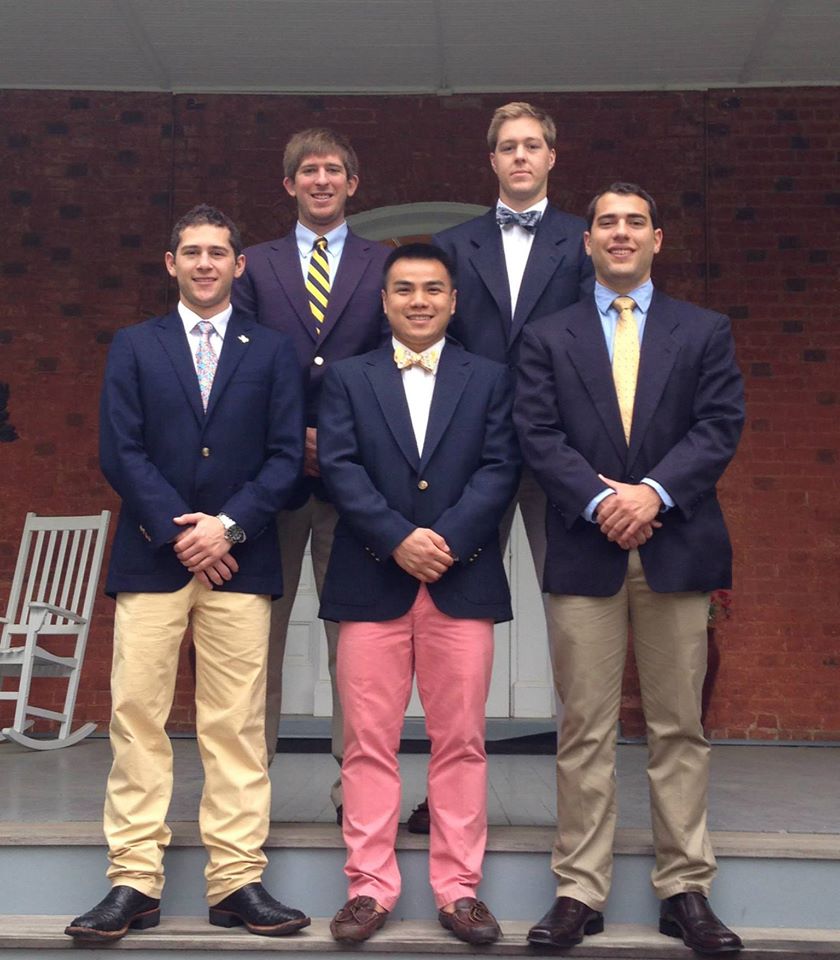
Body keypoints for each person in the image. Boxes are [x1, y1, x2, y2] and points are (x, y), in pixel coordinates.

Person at [65, 205, 309, 943]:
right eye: (192, 252)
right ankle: (133, 881)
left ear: (240, 265)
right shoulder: (135, 347)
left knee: (234, 725)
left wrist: (227, 527)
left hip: (241, 559)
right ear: (170, 263)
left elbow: (283, 460)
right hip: (152, 558)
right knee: (138, 715)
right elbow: (121, 451)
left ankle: (237, 880)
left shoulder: (270, 352)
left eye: (219, 253)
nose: (205, 263)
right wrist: (184, 534)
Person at [514, 183, 745, 954]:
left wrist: (652, 494)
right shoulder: (548, 335)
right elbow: (537, 435)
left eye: (634, 223)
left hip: (676, 546)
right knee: (584, 728)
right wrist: (599, 502)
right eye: (606, 223)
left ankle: (686, 890)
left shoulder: (703, 329)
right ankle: (580, 890)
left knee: (680, 726)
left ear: (657, 239)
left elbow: (719, 427)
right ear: (587, 242)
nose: (619, 234)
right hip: (584, 549)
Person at [317, 244, 521, 945]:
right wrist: (399, 537)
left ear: (454, 300)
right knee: (368, 744)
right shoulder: (347, 378)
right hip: (371, 578)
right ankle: (369, 888)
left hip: (460, 583)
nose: (419, 300)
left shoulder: (491, 378)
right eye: (404, 289)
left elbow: (501, 468)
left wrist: (446, 540)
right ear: (384, 300)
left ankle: (459, 889)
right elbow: (339, 467)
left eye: (433, 288)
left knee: (460, 741)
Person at [422, 102, 593, 835]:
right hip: (473, 454)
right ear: (491, 161)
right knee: (453, 628)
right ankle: (443, 795)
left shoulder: (586, 244)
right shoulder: (453, 244)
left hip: (563, 453)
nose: (520, 157)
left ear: (552, 156)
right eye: (507, 147)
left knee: (578, 625)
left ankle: (581, 808)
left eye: (533, 146)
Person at [232, 128, 389, 819]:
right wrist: (289, 440)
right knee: (252, 647)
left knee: (355, 652)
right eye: (308, 170)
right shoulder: (255, 266)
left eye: (334, 170)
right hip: (272, 484)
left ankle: (354, 793)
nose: (321, 179)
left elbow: (393, 365)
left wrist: (343, 441)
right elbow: (239, 363)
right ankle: (246, 792)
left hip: (355, 488)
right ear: (289, 184)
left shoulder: (382, 263)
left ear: (353, 184)